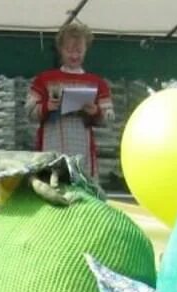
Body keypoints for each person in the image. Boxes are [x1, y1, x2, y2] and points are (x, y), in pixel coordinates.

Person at [26, 21, 114, 178]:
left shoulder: (97, 82)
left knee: (82, 192)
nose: (74, 55)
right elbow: (29, 110)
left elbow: (109, 116)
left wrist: (96, 112)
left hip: (83, 151)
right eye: (69, 50)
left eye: (79, 51)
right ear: (60, 49)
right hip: (51, 149)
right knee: (52, 189)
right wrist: (46, 107)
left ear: (86, 49)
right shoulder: (44, 79)